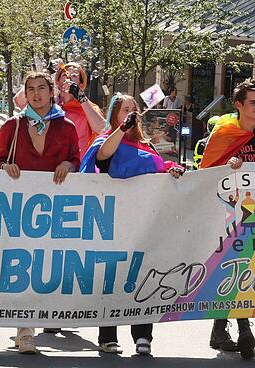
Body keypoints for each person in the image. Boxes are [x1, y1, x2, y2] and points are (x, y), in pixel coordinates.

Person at [79, 94, 184, 355]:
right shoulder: (105, 141)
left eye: (133, 109)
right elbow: (103, 157)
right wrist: (122, 129)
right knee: (112, 278)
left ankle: (143, 334)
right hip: (112, 221)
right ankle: (107, 335)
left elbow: (157, 169)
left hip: (143, 221)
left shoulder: (145, 144)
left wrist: (170, 170)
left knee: (143, 275)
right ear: (115, 114)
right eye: (124, 109)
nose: (130, 112)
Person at [0, 71, 80, 354]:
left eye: (42, 88)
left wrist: (69, 165)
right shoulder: (13, 126)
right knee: (22, 267)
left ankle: (42, 317)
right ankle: (25, 331)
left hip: (54, 209)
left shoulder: (66, 127)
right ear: (25, 95)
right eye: (31, 89)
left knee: (46, 267)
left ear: (51, 92)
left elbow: (77, 159)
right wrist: (4, 167)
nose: (37, 94)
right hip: (19, 209)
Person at [199, 78, 255, 359]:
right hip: (230, 213)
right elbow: (205, 170)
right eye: (253, 102)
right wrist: (227, 165)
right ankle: (244, 328)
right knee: (240, 266)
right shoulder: (224, 132)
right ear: (239, 105)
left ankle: (220, 330)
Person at [54, 62, 105, 161]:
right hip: (53, 166)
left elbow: (102, 129)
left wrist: (81, 97)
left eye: (73, 76)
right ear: (58, 82)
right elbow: (19, 100)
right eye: (65, 75)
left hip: (79, 167)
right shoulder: (50, 105)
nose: (68, 78)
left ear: (81, 85)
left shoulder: (89, 107)